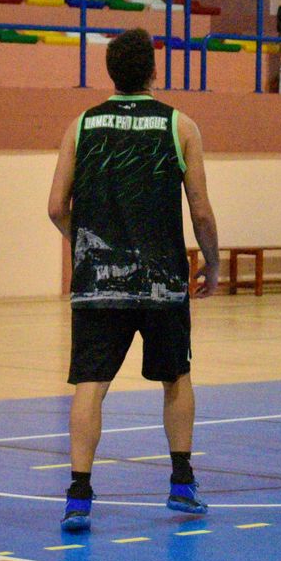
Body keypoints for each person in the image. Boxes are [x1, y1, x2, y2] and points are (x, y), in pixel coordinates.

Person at [47, 27, 219, 531]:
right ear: (153, 71)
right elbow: (201, 211)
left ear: (110, 72)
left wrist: (86, 241)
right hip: (161, 279)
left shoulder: (81, 125)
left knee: (90, 385)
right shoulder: (179, 125)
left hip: (98, 280)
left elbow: (56, 206)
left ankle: (79, 494)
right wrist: (212, 263)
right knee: (175, 377)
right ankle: (181, 483)